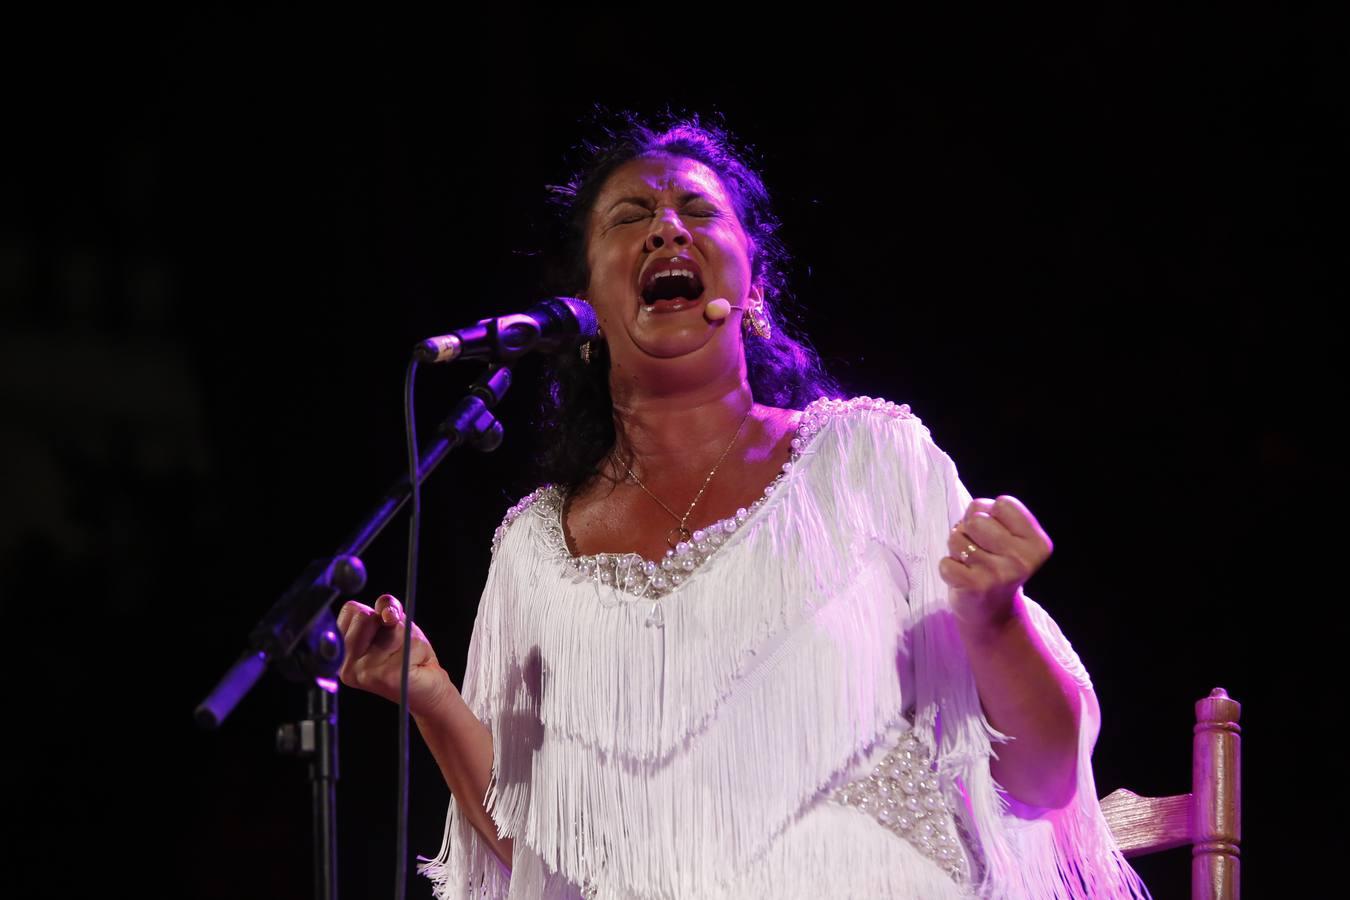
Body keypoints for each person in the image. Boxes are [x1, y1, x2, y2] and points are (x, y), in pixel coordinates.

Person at [336, 115, 1148, 899]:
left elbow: (1044, 776)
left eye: (698, 211)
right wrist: (433, 696)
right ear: (584, 304)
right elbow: (546, 855)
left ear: (752, 286)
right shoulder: (533, 551)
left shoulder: (867, 462)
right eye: (631, 216)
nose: (666, 230)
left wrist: (992, 620)